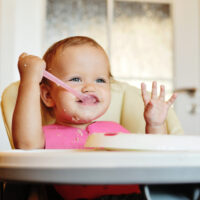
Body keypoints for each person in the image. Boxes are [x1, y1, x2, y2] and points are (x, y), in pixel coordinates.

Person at [12, 36, 176, 200]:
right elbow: (26, 144)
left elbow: (156, 161)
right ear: (48, 95)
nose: (90, 87)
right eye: (76, 79)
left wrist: (155, 124)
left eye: (100, 80)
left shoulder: (115, 131)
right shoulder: (44, 136)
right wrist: (30, 80)